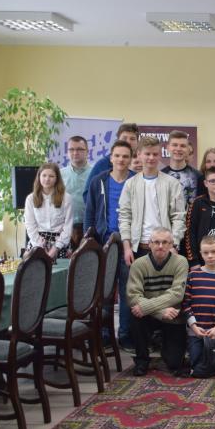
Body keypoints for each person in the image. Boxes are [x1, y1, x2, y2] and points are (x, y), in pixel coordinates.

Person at [84, 140, 136, 349]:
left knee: (127, 291)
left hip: (129, 245)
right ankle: (104, 335)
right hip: (104, 244)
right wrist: (89, 241)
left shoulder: (136, 181)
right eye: (117, 155)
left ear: (131, 159)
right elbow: (89, 213)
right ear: (111, 157)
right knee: (104, 292)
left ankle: (125, 335)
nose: (121, 160)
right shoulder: (99, 181)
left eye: (125, 156)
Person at [127, 227, 189, 376]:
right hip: (151, 315)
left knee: (174, 364)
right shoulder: (138, 264)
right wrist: (160, 312)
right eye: (156, 242)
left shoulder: (181, 262)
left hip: (173, 316)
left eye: (165, 242)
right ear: (149, 244)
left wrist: (147, 306)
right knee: (134, 316)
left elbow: (177, 295)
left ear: (172, 244)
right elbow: (133, 297)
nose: (160, 246)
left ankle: (163, 342)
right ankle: (142, 360)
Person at [118, 135, 186, 266]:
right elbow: (124, 217)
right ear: (139, 154)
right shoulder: (130, 184)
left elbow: (178, 217)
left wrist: (174, 245)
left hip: (165, 248)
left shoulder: (172, 183)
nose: (151, 157)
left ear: (160, 155)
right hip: (138, 248)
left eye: (155, 154)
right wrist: (126, 248)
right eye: (147, 154)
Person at [181, 236, 215, 378]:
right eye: (206, 253)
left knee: (212, 366)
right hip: (195, 331)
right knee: (197, 367)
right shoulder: (193, 275)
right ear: (201, 253)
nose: (210, 256)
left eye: (213, 251)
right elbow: (186, 304)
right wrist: (193, 326)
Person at [24, 162, 73, 259]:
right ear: (39, 177)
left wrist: (55, 248)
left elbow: (68, 227)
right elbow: (30, 226)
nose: (47, 179)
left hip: (60, 242)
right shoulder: (30, 198)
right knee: (30, 264)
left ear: (57, 179)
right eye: (44, 175)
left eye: (51, 176)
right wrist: (40, 245)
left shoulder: (66, 198)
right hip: (38, 241)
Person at [83, 123, 139, 202]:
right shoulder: (102, 164)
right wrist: (101, 208)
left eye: (132, 139)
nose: (128, 142)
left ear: (137, 142)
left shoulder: (142, 163)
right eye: (124, 138)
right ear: (118, 140)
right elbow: (88, 194)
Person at [60, 135, 92, 250]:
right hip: (65, 228)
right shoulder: (59, 174)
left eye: (79, 149)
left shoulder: (96, 173)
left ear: (87, 152)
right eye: (71, 149)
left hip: (89, 228)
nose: (75, 153)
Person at [161, 130, 202, 205]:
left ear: (188, 150)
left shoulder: (198, 176)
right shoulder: (160, 176)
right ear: (168, 148)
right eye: (175, 145)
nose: (178, 149)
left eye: (183, 146)